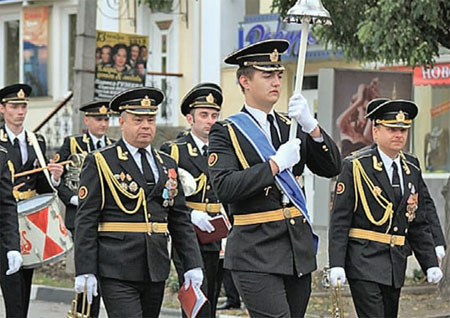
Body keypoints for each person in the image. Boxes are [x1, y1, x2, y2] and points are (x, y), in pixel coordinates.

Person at [208, 39, 342, 317]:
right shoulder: (227, 131)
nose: (276, 82)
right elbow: (225, 187)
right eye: (267, 75)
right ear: (245, 81)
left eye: (279, 75)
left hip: (295, 250)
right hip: (255, 251)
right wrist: (275, 165)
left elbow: (331, 167)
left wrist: (311, 126)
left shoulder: (290, 125)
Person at [74, 87, 204, 318]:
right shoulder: (102, 161)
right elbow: (86, 219)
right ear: (122, 123)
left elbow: (180, 219)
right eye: (138, 120)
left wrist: (193, 263)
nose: (146, 125)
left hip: (155, 265)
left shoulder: (166, 163)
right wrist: (84, 270)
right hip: (116, 266)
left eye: (151, 119)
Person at [328, 99, 443, 317]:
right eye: (392, 129)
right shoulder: (356, 166)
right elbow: (340, 220)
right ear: (376, 130)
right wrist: (336, 264)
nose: (399, 135)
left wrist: (429, 262)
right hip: (364, 260)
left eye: (403, 130)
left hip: (394, 262)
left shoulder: (411, 167)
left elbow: (417, 221)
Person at [0, 83, 64, 317]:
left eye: (23, 107)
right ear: (2, 109)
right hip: (3, 219)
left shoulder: (36, 141)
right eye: (15, 106)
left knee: (21, 289)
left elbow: (43, 186)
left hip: (26, 223)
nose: (20, 112)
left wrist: (54, 177)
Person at [161, 82, 223, 318]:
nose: (210, 121)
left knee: (213, 296)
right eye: (204, 115)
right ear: (190, 119)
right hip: (187, 230)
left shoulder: (224, 149)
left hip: (217, 230)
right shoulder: (175, 150)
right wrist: (190, 214)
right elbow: (164, 197)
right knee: (197, 299)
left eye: (214, 115)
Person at [55, 100, 114, 318]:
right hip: (80, 215)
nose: (103, 123)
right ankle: (84, 313)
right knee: (86, 267)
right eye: (98, 119)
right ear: (87, 120)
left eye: (106, 119)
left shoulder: (114, 145)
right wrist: (72, 199)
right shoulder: (72, 144)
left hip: (106, 217)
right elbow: (58, 178)